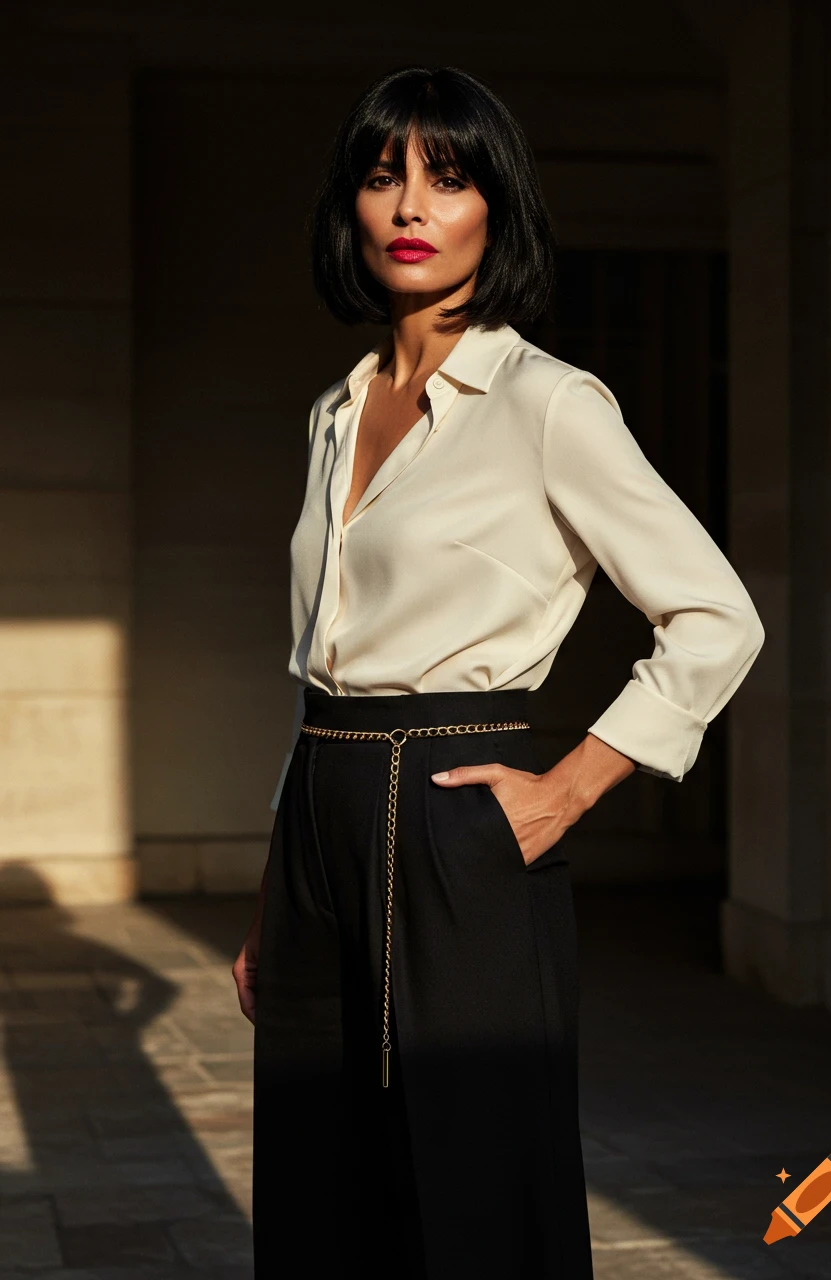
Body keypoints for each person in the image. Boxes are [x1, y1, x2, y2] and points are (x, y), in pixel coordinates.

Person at [233, 64, 765, 1280]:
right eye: (382, 177)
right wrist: (278, 883)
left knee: (473, 1185)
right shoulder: (335, 410)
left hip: (455, 817)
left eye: (446, 175)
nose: (410, 204)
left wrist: (572, 781)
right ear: (351, 212)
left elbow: (715, 613)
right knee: (322, 1187)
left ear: (495, 208)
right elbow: (318, 669)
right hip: (318, 812)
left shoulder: (547, 403)